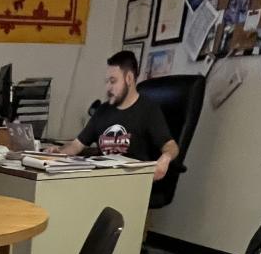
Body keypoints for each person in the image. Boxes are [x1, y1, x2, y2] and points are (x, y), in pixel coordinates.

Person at [53, 50, 179, 181]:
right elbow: (76, 145)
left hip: (132, 181)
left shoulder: (148, 110)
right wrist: (57, 153)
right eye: (107, 82)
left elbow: (171, 146)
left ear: (129, 78)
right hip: (102, 179)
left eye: (113, 81)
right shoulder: (102, 110)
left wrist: (165, 159)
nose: (108, 87)